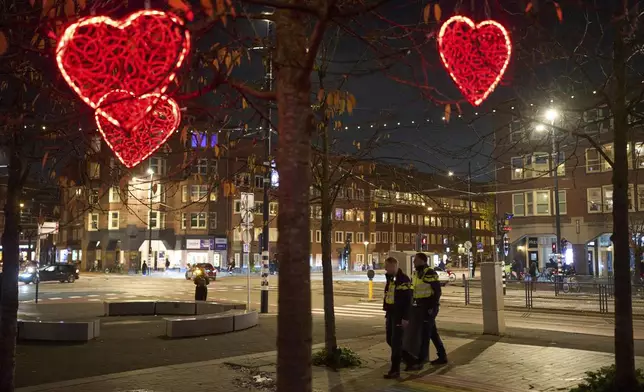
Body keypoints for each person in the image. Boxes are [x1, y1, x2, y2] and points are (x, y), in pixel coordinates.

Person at [405, 252, 447, 370]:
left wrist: (431, 307)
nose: (414, 262)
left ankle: (421, 360)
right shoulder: (416, 273)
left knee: (425, 334)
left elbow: (437, 291)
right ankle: (442, 356)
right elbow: (414, 289)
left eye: (416, 260)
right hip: (420, 306)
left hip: (428, 307)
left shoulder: (429, 273)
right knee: (432, 332)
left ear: (423, 261)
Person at [382, 256, 413, 379]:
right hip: (391, 314)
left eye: (387, 266)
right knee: (390, 339)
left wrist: (405, 317)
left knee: (395, 342)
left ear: (393, 266)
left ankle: (395, 370)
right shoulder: (391, 279)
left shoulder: (403, 279)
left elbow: (408, 300)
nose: (385, 268)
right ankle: (411, 360)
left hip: (399, 315)